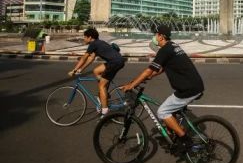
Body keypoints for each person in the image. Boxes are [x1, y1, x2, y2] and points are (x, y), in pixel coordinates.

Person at [121, 25, 204, 153]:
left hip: (188, 89)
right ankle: (174, 135)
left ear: (161, 36)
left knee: (162, 112)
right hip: (194, 85)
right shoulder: (173, 46)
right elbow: (161, 68)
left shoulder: (165, 50)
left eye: (156, 35)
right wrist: (147, 78)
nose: (154, 37)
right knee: (172, 110)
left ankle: (185, 140)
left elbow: (149, 70)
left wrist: (132, 85)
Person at [68, 28, 125, 117]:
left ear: (90, 37)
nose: (84, 39)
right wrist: (80, 69)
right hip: (117, 61)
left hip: (114, 63)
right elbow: (91, 58)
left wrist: (74, 70)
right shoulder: (99, 43)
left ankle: (105, 110)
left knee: (101, 85)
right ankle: (103, 94)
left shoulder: (93, 44)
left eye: (85, 37)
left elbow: (84, 58)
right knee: (96, 71)